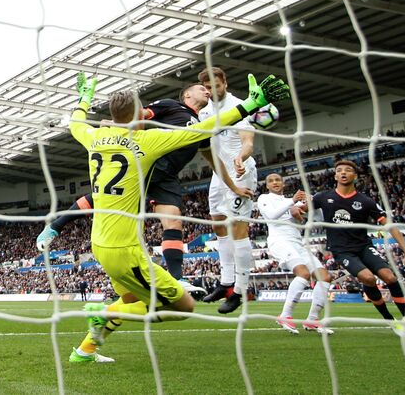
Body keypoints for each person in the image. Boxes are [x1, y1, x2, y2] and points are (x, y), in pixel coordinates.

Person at [68, 72, 290, 363]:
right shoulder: (147, 141)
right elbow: (206, 128)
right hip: (125, 250)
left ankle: (85, 351)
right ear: (138, 113)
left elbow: (75, 121)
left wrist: (85, 97)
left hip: (99, 242)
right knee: (182, 307)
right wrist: (250, 105)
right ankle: (103, 312)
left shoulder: (92, 136)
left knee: (132, 299)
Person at [37, 84, 250, 294]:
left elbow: (213, 161)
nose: (206, 90)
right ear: (187, 94)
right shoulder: (171, 106)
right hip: (148, 162)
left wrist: (233, 187)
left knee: (174, 220)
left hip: (167, 177)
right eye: (200, 88)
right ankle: (55, 225)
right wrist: (114, 125)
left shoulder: (203, 126)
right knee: (106, 195)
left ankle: (177, 278)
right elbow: (138, 114)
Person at [311, 160, 405, 339]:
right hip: (342, 250)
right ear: (335, 176)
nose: (343, 173)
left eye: (348, 170)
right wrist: (295, 208)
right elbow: (302, 210)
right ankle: (390, 320)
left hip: (364, 246)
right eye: (339, 170)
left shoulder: (365, 201)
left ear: (355, 176)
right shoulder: (323, 197)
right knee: (368, 278)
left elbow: (390, 225)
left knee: (390, 277)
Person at [198, 66, 258, 314]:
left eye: (216, 85)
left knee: (238, 229)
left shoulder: (240, 106)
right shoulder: (204, 112)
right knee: (218, 225)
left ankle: (241, 291)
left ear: (225, 82)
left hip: (241, 170)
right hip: (219, 174)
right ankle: (225, 282)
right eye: (208, 87)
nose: (212, 91)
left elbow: (248, 141)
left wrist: (241, 158)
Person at [256, 173, 333, 335]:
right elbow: (271, 216)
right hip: (279, 241)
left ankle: (312, 319)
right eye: (271, 181)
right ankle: (285, 315)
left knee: (324, 276)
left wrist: (313, 204)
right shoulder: (264, 198)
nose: (275, 182)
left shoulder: (293, 201)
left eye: (278, 180)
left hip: (298, 243)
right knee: (303, 274)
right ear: (267, 186)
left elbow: (318, 218)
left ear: (283, 184)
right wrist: (291, 202)